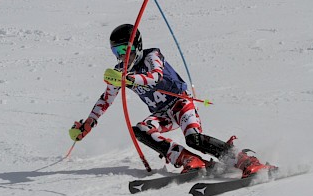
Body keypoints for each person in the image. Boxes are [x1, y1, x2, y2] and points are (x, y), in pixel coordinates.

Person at [69, 24, 275, 178]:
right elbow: (105, 99)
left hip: (180, 105)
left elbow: (156, 76)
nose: (122, 57)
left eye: (124, 50)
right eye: (116, 52)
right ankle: (189, 160)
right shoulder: (120, 72)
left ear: (137, 46)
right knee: (141, 130)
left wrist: (129, 78)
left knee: (194, 139)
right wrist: (88, 124)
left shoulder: (151, 56)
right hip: (161, 114)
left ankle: (245, 160)